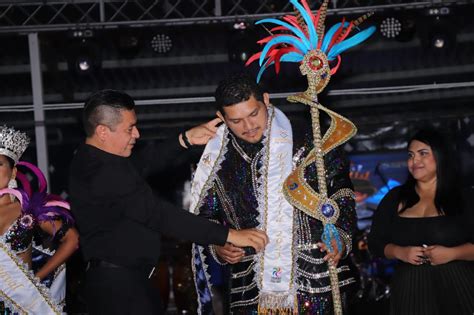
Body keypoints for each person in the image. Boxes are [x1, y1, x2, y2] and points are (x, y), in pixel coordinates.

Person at [68, 89, 269, 315]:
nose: (137, 134)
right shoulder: (100, 171)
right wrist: (229, 235)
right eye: (129, 128)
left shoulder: (95, 161)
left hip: (126, 283)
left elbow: (143, 163)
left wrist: (185, 139)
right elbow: (160, 215)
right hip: (119, 290)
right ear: (103, 132)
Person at [190, 72, 357, 314]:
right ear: (221, 117)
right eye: (236, 121)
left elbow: (341, 189)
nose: (248, 127)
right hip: (249, 287)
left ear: (266, 100)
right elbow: (206, 215)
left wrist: (340, 232)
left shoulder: (310, 136)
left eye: (253, 114)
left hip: (318, 276)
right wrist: (219, 245)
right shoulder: (215, 158)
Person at [368, 128, 474, 315]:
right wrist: (400, 252)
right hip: (410, 290)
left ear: (441, 156)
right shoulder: (395, 197)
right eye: (410, 155)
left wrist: (452, 253)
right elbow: (375, 242)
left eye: (423, 153)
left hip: (458, 287)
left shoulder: (465, 197)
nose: (414, 161)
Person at [0, 125, 79, 314]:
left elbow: (72, 239)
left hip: (24, 305)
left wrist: (37, 278)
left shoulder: (26, 210)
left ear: (12, 172)